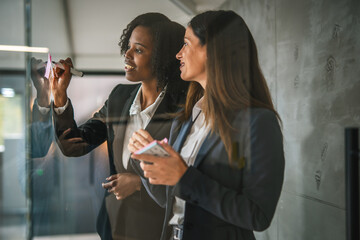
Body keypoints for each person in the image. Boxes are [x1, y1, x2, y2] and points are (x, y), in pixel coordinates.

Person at [129, 10, 285, 240]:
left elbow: (257, 215)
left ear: (212, 51)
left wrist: (184, 177)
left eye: (186, 44)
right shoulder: (185, 120)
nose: (178, 54)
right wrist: (149, 159)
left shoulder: (257, 123)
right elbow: (167, 198)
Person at [51, 13, 188, 240]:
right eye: (128, 46)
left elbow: (188, 180)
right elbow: (74, 146)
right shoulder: (119, 98)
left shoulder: (183, 108)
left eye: (139, 49)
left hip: (157, 229)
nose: (127, 54)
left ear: (162, 58)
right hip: (113, 227)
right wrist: (59, 98)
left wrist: (139, 185)